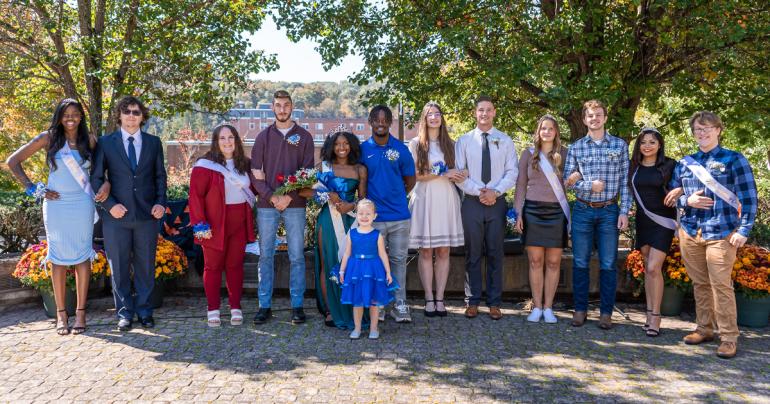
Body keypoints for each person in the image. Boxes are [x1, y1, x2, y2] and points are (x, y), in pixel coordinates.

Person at [6, 98, 109, 335]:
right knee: (59, 258)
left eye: (74, 114)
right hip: (56, 205)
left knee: (83, 256)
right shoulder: (48, 137)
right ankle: (62, 315)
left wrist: (107, 185)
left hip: (82, 203)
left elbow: (105, 168)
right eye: (65, 115)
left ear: (81, 116)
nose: (70, 118)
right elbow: (13, 162)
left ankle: (81, 313)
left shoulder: (90, 140)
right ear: (59, 117)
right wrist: (34, 189)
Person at [666, 111, 757, 359]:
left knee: (721, 285)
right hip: (691, 231)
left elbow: (749, 198)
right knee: (700, 284)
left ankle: (728, 338)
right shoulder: (685, 163)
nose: (702, 133)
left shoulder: (734, 159)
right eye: (697, 129)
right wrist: (688, 200)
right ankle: (704, 329)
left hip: (722, 231)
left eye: (707, 128)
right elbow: (674, 197)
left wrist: (744, 230)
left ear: (718, 130)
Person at [91, 95, 168, 331]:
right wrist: (110, 205)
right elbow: (95, 178)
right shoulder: (106, 143)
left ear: (142, 117)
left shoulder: (154, 143)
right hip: (116, 217)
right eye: (127, 112)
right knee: (120, 268)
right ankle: (124, 313)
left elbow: (160, 177)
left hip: (146, 216)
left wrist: (160, 203)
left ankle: (145, 311)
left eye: (136, 112)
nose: (131, 116)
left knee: (146, 267)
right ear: (119, 116)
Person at [563, 99, 631, 330]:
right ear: (584, 120)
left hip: (610, 211)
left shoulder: (620, 146)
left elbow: (625, 183)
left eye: (599, 114)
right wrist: (589, 185)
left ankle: (606, 313)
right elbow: (568, 182)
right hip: (582, 210)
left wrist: (624, 211)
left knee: (608, 263)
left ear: (605, 117)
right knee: (580, 262)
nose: (595, 118)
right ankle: (580, 310)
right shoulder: (576, 148)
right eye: (590, 116)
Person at [250, 90, 314, 325]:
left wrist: (289, 195)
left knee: (296, 256)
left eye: (286, 105)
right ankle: (263, 305)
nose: (283, 109)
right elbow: (256, 175)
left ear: (292, 107)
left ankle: (297, 305)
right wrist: (272, 197)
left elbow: (307, 173)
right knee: (265, 256)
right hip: (267, 206)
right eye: (278, 105)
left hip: (295, 204)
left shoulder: (304, 137)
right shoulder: (263, 137)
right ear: (273, 108)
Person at [455, 95, 518, 320]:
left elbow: (512, 172)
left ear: (494, 112)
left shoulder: (505, 140)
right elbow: (459, 173)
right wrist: (480, 191)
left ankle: (494, 302)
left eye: (488, 110)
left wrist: (495, 192)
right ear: (475, 113)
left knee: (495, 252)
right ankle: (472, 301)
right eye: (480, 110)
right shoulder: (464, 141)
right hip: (472, 202)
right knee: (472, 253)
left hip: (497, 202)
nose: (484, 113)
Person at [189, 124, 257, 327]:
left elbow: (255, 189)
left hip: (239, 222)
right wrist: (200, 225)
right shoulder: (204, 166)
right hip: (214, 223)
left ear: (236, 140)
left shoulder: (245, 164)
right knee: (212, 266)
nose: (227, 142)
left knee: (235, 266)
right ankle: (213, 309)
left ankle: (235, 307)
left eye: (231, 138)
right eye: (222, 138)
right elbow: (196, 197)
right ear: (216, 142)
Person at [407, 102, 465, 317]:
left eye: (437, 114)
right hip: (424, 197)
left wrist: (460, 173)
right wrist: (441, 173)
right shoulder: (415, 144)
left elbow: (459, 172)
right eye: (430, 114)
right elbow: (413, 176)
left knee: (443, 250)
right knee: (426, 250)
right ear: (424, 119)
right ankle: (428, 299)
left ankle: (440, 298)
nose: (434, 117)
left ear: (442, 118)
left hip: (446, 198)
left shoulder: (452, 144)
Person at [360, 105, 416, 323]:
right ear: (370, 122)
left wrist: (396, 196)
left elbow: (411, 180)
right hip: (374, 219)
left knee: (399, 260)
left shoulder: (401, 150)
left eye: (385, 120)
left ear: (390, 122)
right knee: (375, 262)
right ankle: (380, 303)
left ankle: (400, 303)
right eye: (377, 120)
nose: (381, 124)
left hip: (400, 216)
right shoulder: (363, 149)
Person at [513, 115, 569, 324]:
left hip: (556, 212)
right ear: (538, 131)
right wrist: (518, 212)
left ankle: (548, 307)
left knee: (554, 263)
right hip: (533, 212)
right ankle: (536, 307)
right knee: (535, 261)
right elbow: (520, 185)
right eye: (543, 128)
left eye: (551, 129)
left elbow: (572, 180)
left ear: (556, 132)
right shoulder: (528, 154)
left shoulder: (565, 153)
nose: (546, 132)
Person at [311, 129, 367, 329]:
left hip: (351, 220)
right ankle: (329, 310)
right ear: (331, 147)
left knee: (352, 263)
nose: (341, 147)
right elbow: (303, 189)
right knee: (328, 262)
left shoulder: (360, 169)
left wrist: (352, 206)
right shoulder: (324, 167)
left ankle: (353, 307)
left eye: (345, 143)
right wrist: (328, 195)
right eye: (337, 144)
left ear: (351, 146)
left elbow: (363, 199)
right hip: (329, 219)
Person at [628, 127, 677, 337]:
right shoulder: (634, 167)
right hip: (643, 220)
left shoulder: (669, 165)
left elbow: (684, 184)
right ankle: (648, 313)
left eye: (652, 142)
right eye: (643, 142)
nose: (647, 146)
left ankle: (656, 316)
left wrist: (681, 190)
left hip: (663, 221)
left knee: (655, 267)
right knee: (648, 268)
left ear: (659, 145)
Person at [339, 199, 397, 339]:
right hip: (356, 270)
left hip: (373, 270)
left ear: (374, 216)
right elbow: (347, 253)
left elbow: (383, 254)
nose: (364, 217)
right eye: (361, 213)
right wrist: (342, 270)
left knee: (374, 301)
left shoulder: (377, 235)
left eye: (368, 214)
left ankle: (374, 328)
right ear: (356, 215)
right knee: (357, 301)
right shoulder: (351, 233)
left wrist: (388, 272)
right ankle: (357, 328)